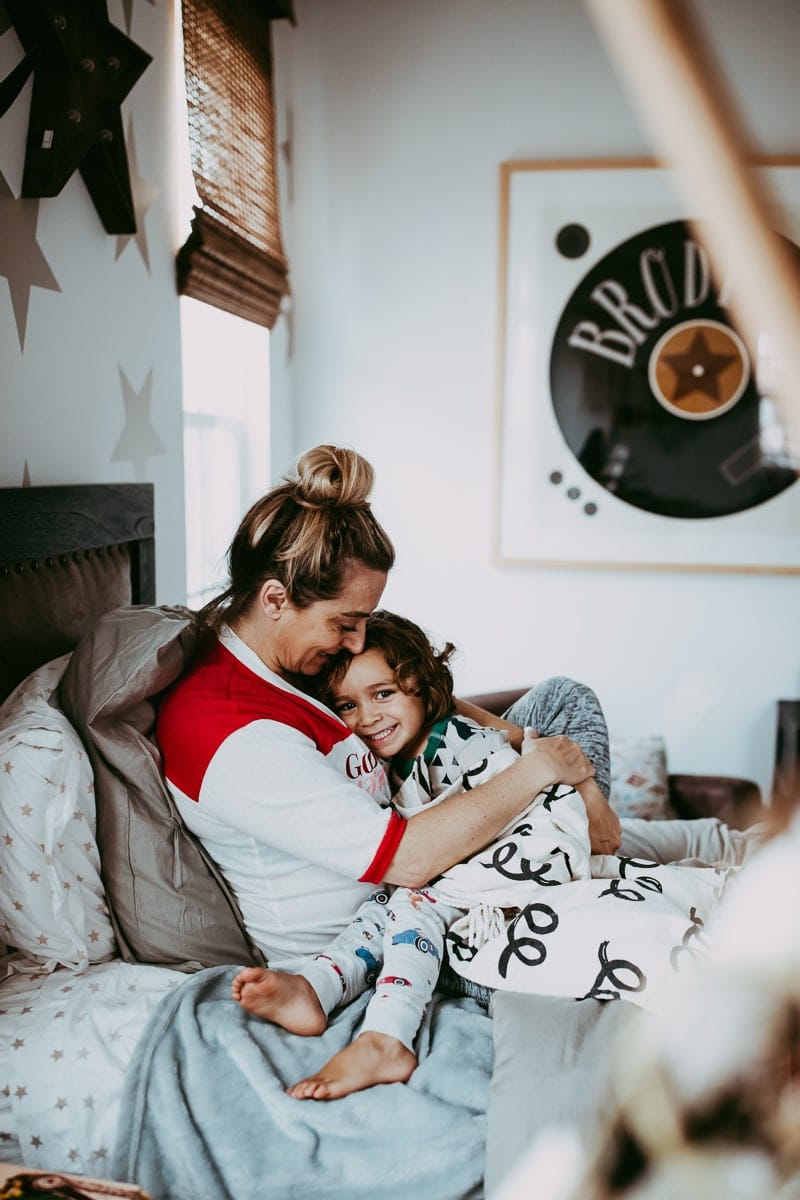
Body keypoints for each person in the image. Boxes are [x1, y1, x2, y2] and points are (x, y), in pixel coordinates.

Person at [155, 444, 754, 1096]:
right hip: (427, 897)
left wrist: (515, 743)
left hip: (443, 822)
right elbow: (409, 865)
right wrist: (541, 770)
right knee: (584, 845)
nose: (354, 641)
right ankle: (635, 849)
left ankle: (630, 834)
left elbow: (417, 693)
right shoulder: (231, 731)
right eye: (345, 623)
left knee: (562, 699)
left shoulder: (287, 658)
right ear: (274, 598)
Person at [235, 610, 605, 1100]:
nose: (367, 717)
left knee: (410, 905)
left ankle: (387, 1035)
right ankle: (318, 984)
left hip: (530, 856)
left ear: (420, 689)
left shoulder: (454, 738)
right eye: (346, 705)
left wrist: (585, 788)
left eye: (382, 694)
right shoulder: (387, 760)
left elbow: (511, 806)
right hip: (475, 867)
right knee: (380, 911)